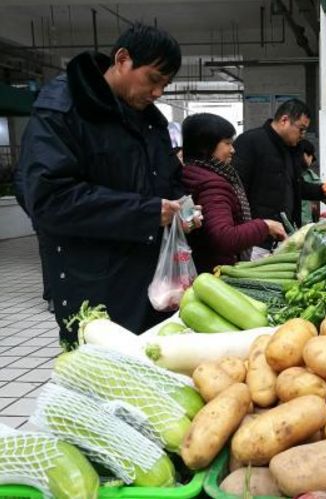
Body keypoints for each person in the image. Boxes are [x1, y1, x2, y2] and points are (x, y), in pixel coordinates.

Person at [15, 23, 201, 347]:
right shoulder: (64, 109)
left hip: (151, 283)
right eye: (154, 79)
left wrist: (181, 206)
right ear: (123, 59)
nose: (158, 92)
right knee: (104, 381)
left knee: (154, 371)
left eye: (165, 85)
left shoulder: (148, 119)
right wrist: (147, 212)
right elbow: (49, 199)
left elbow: (167, 177)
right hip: (94, 284)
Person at [232, 99, 326, 257]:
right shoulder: (250, 142)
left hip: (284, 238)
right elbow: (236, 190)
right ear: (284, 120)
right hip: (256, 242)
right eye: (301, 129)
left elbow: (295, 187)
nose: (303, 135)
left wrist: (322, 191)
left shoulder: (292, 149)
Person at [181, 113, 286, 273]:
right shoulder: (213, 184)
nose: (233, 150)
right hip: (214, 272)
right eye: (227, 143)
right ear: (206, 146)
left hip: (199, 266)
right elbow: (224, 237)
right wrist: (265, 226)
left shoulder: (190, 171)